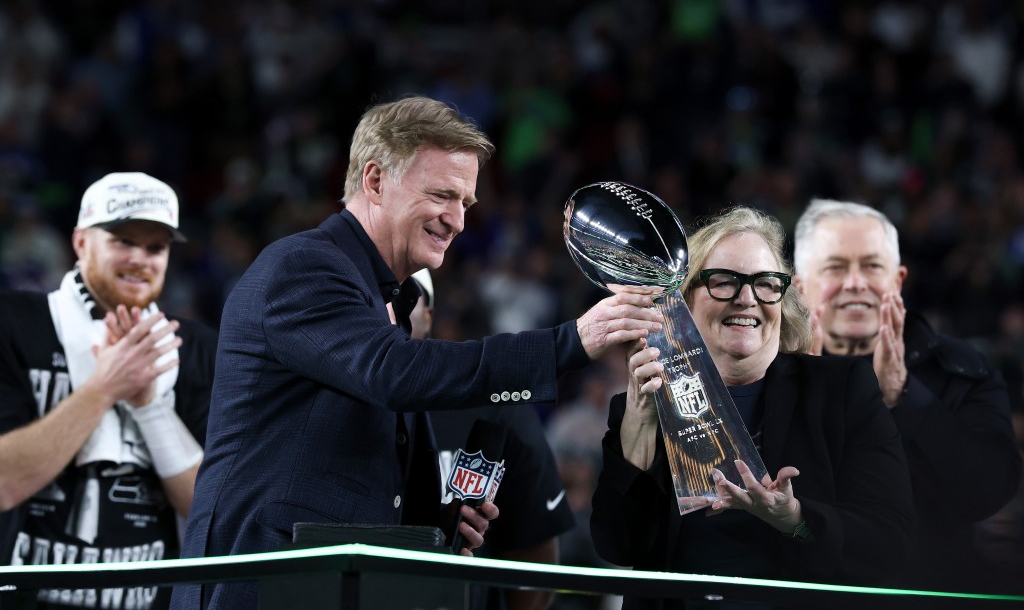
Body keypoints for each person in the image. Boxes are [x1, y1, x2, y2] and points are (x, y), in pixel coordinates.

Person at [173, 96, 662, 610]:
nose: (458, 222)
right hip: (260, 587)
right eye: (442, 196)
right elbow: (392, 372)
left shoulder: (388, 301)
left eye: (466, 204)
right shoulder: (303, 269)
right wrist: (570, 341)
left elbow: (348, 459)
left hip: (334, 584)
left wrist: (431, 523)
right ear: (376, 181)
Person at [590, 206, 915, 609]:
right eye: (724, 282)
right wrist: (640, 418)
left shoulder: (842, 391)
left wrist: (794, 518)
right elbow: (618, 545)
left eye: (765, 283)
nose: (747, 299)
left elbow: (891, 543)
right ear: (684, 299)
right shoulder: (640, 405)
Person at [0, 172, 217, 609]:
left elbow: (211, 518)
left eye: (156, 247)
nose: (141, 258)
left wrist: (151, 407)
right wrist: (104, 388)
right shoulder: (13, 324)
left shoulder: (196, 348)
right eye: (123, 241)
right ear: (80, 242)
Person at [792, 198, 1023, 593]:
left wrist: (904, 396)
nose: (854, 283)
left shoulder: (962, 369)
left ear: (898, 280)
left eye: (871, 266)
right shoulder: (760, 367)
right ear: (799, 285)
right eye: (835, 267)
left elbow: (988, 491)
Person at [411, 268, 576, 610]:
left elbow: (536, 555)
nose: (388, 307)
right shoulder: (331, 405)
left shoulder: (492, 404)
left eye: (403, 295)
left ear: (429, 315)